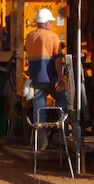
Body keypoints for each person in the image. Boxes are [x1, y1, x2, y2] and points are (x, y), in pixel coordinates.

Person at [25, 8, 66, 150]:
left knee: (39, 111)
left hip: (36, 80)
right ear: (47, 23)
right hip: (51, 79)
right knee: (63, 99)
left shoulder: (29, 37)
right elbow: (58, 61)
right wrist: (60, 78)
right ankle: (59, 129)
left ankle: (41, 142)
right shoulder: (53, 37)